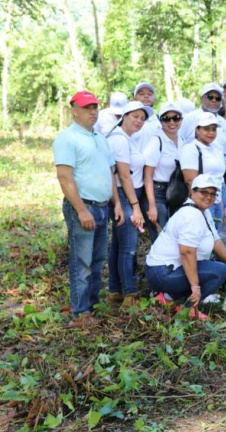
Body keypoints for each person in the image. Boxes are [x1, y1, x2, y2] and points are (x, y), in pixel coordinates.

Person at [55, 91, 124, 326]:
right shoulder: (68, 138)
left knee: (97, 260)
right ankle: (80, 313)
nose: (92, 111)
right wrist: (81, 210)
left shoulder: (99, 138)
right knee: (82, 261)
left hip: (103, 207)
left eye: (95, 106)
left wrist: (117, 204)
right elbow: (65, 178)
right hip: (83, 207)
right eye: (86, 107)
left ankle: (90, 306)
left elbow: (110, 173)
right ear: (74, 110)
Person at [145, 174, 226, 320]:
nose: (209, 197)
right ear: (192, 192)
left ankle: (167, 297)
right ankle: (187, 307)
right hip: (163, 271)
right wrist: (195, 287)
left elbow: (216, 240)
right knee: (218, 271)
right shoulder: (191, 215)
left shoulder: (203, 211)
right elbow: (187, 253)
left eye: (212, 194)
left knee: (221, 267)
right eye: (204, 192)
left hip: (170, 269)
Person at [106, 101, 153, 307]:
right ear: (124, 116)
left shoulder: (128, 139)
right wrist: (135, 207)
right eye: (135, 116)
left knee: (118, 245)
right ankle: (130, 294)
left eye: (142, 118)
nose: (139, 121)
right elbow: (124, 176)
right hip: (125, 197)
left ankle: (114, 290)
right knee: (129, 246)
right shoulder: (119, 141)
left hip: (127, 196)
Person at [143, 103, 185, 241]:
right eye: (167, 118)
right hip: (158, 193)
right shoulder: (157, 141)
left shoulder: (183, 141)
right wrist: (152, 206)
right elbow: (148, 176)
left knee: (175, 235)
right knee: (162, 238)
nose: (172, 122)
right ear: (161, 121)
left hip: (176, 193)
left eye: (176, 118)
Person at [180, 113, 226, 227]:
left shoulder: (216, 149)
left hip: (216, 200)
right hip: (202, 202)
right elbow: (190, 180)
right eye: (206, 129)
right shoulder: (191, 148)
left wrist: (220, 205)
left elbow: (218, 179)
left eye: (214, 129)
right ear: (197, 130)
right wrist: (201, 207)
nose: (211, 133)